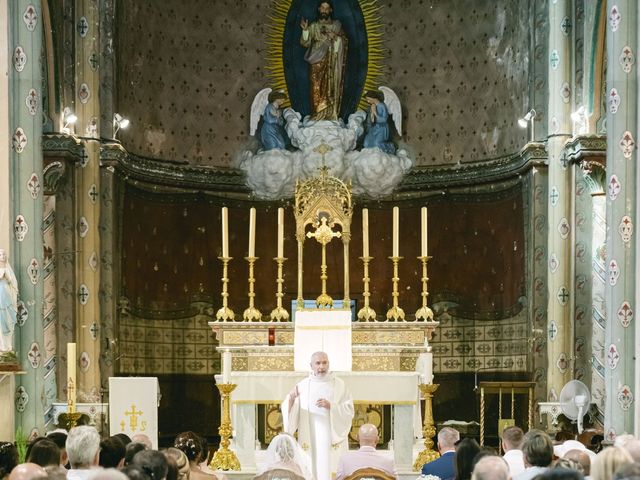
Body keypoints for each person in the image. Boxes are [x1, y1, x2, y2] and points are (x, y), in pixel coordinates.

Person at [282, 351, 354, 480]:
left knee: (329, 463)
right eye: (318, 363)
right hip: (310, 436)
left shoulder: (339, 385)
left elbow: (349, 409)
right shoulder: (303, 385)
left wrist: (332, 406)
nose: (321, 367)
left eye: (324, 363)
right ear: (311, 365)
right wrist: (291, 400)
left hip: (331, 436)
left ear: (328, 364)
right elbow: (290, 408)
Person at [300, 1, 347, 121]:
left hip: (332, 62)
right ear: (319, 10)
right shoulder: (314, 26)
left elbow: (345, 41)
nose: (324, 10)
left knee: (330, 87)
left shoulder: (337, 25)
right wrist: (305, 31)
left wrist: (336, 38)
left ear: (330, 10)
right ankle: (317, 114)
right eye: (322, 8)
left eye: (327, 8)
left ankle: (330, 114)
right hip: (316, 61)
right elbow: (305, 43)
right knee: (316, 87)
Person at [0, 249, 18, 352]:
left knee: (7, 321)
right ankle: (2, 346)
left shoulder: (8, 269)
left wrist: (8, 277)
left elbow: (13, 283)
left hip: (7, 297)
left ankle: (7, 346)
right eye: (0, 254)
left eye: (3, 254)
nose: (2, 256)